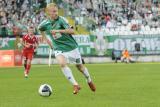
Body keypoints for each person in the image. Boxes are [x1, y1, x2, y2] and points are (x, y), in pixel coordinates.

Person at [38, 3, 96, 94]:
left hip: (71, 47)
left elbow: (72, 31)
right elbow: (40, 29)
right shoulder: (45, 24)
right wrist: (48, 42)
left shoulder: (62, 20)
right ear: (48, 13)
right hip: (58, 48)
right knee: (62, 63)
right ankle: (75, 85)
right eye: (53, 12)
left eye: (56, 11)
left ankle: (89, 80)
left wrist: (58, 30)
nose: (56, 13)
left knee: (80, 67)